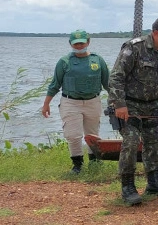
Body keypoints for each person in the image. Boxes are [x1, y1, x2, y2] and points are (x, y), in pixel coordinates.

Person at [108, 16, 158, 205]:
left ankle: (154, 183)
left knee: (153, 143)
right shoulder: (134, 47)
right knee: (132, 142)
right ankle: (128, 187)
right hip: (130, 105)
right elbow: (116, 77)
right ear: (156, 32)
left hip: (152, 106)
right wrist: (119, 104)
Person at [41, 29, 110, 174]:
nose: (79, 46)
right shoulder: (64, 62)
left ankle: (94, 162)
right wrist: (46, 104)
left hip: (93, 101)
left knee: (93, 134)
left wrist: (118, 101)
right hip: (70, 102)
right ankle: (77, 164)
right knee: (73, 135)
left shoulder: (97, 60)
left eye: (82, 43)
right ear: (70, 44)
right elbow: (55, 84)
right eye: (76, 44)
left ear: (88, 42)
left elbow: (107, 83)